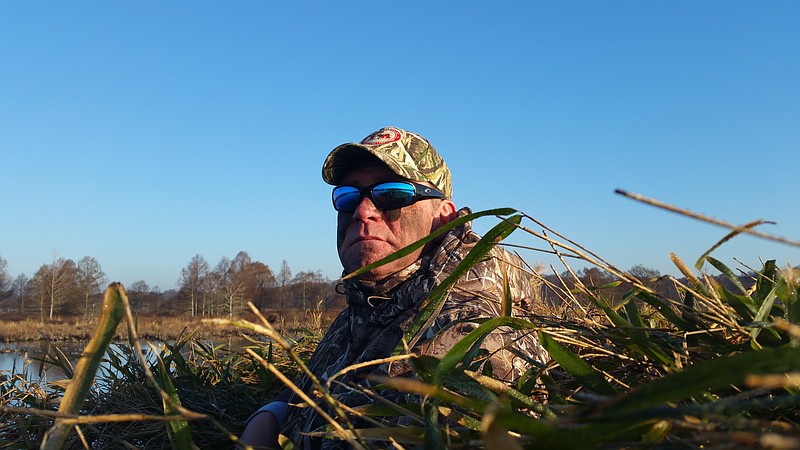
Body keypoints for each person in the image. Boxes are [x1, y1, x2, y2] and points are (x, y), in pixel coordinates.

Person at [240, 126, 547, 449]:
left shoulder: (466, 336)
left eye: (392, 193)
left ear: (444, 219)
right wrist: (269, 416)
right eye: (347, 197)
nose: (362, 211)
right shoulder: (371, 302)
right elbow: (311, 385)